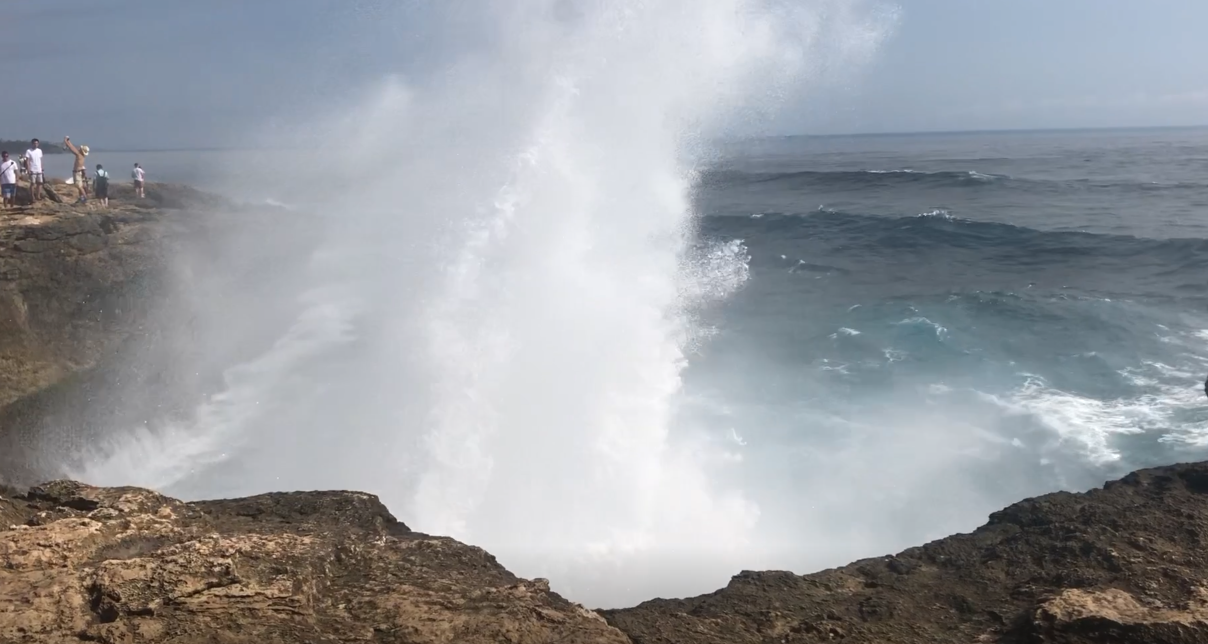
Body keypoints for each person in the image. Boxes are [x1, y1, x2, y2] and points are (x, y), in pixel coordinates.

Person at [63, 136, 89, 203]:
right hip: (79, 172)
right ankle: (82, 198)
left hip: (77, 172)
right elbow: (73, 147)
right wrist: (68, 141)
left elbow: (72, 148)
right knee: (80, 186)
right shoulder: (82, 156)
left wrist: (66, 141)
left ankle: (85, 198)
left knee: (79, 186)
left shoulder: (79, 155)